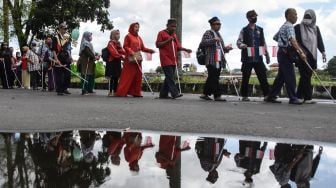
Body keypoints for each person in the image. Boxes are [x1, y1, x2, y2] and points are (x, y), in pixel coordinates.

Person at [265, 8, 307, 104]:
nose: (297, 17)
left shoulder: (283, 26)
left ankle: (271, 96)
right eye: (295, 14)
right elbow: (292, 40)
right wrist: (301, 52)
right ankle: (293, 98)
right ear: (288, 15)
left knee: (281, 77)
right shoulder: (289, 26)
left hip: (282, 52)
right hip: (285, 54)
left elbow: (275, 37)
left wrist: (283, 42)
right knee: (290, 76)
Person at [237, 10, 270, 101]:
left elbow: (263, 43)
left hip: (258, 58)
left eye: (255, 16)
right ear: (248, 18)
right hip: (247, 58)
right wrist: (242, 45)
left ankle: (267, 95)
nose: (254, 18)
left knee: (263, 76)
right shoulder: (244, 30)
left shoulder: (260, 29)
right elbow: (238, 42)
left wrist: (267, 55)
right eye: (252, 17)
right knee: (246, 77)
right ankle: (244, 96)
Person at [294, 9, 326, 104]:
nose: (307, 19)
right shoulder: (298, 27)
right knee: (305, 75)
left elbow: (319, 41)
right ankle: (303, 97)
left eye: (309, 17)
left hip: (312, 56)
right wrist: (301, 52)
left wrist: (323, 52)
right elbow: (296, 41)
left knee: (307, 76)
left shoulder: (316, 28)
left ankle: (303, 96)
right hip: (302, 55)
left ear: (313, 18)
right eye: (306, 16)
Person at [115, 22, 155, 97]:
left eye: (138, 27)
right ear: (132, 27)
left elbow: (143, 48)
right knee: (127, 76)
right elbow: (125, 46)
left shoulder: (139, 38)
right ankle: (122, 92)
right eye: (136, 27)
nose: (137, 28)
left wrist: (150, 50)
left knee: (138, 76)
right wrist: (131, 51)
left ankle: (136, 93)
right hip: (130, 59)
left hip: (137, 59)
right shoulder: (128, 36)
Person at [156, 18, 192, 99]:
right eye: (172, 26)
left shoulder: (174, 35)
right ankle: (175, 93)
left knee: (169, 77)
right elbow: (158, 44)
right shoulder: (161, 33)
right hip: (165, 59)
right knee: (170, 77)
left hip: (173, 59)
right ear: (167, 26)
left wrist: (186, 49)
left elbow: (178, 47)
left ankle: (163, 94)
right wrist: (167, 41)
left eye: (175, 27)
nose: (174, 28)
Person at [199, 17, 233, 101]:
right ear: (212, 25)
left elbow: (221, 48)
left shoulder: (219, 35)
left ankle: (205, 93)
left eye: (220, 24)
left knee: (212, 77)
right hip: (211, 59)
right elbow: (203, 43)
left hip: (219, 60)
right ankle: (217, 95)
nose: (219, 25)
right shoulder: (208, 33)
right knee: (214, 77)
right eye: (217, 24)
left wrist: (226, 49)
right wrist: (213, 40)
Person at [53, 23, 72, 96]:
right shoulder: (56, 38)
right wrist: (56, 59)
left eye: (66, 28)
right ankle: (59, 90)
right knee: (59, 75)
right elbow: (54, 50)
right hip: (59, 57)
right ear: (60, 29)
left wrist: (70, 56)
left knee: (68, 74)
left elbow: (68, 49)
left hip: (66, 58)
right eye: (64, 28)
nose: (65, 30)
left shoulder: (67, 38)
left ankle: (65, 88)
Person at [105, 29, 126, 97]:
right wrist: (123, 58)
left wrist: (128, 54)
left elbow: (122, 51)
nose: (118, 35)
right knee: (111, 77)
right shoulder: (110, 43)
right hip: (112, 62)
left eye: (119, 34)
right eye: (117, 34)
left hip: (117, 61)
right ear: (113, 35)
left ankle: (115, 91)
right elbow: (114, 53)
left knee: (116, 77)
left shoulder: (118, 43)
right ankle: (110, 91)